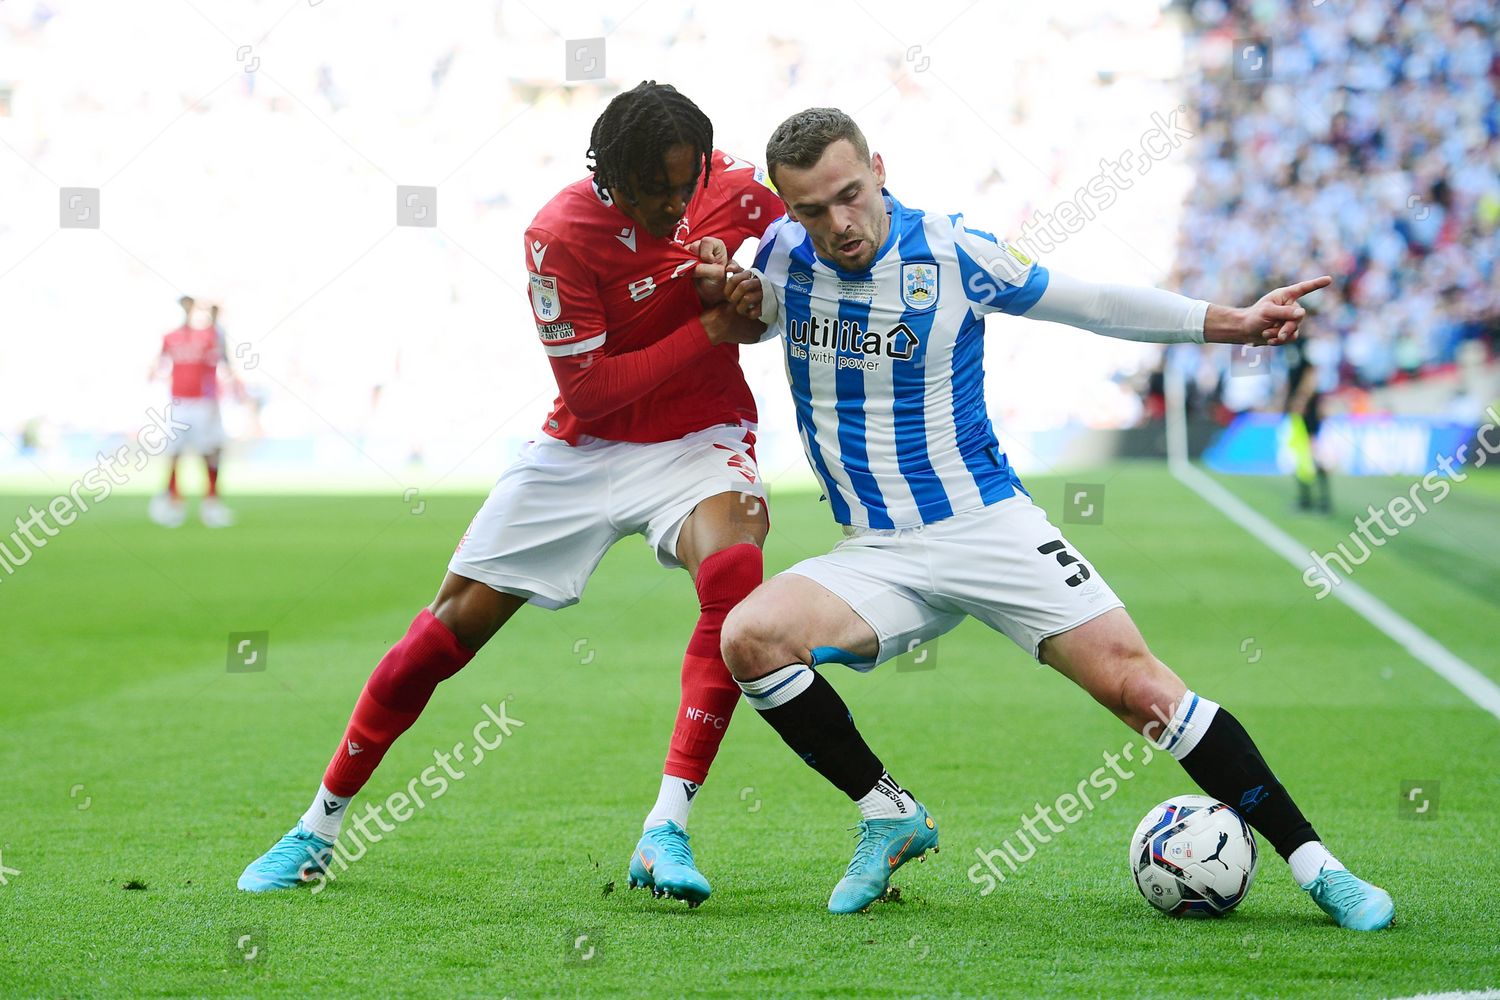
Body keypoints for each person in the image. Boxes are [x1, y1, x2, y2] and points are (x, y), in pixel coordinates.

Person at [718, 107, 1393, 929]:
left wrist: (1233, 323)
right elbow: (741, 319)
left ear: (879, 169)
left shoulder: (955, 253)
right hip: (875, 551)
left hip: (986, 525)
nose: (838, 223)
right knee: (749, 638)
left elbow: (1095, 304)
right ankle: (888, 812)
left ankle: (1320, 869)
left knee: (1143, 690)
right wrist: (723, 291)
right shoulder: (785, 257)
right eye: (812, 210)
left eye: (850, 195)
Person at [237, 82, 779, 905]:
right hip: (585, 447)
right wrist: (706, 325)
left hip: (698, 439)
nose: (677, 204)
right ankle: (317, 827)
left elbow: (811, 258)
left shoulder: (731, 184)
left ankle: (665, 828)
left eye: (685, 184)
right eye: (657, 191)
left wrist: (756, 296)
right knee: (448, 629)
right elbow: (594, 392)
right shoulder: (559, 235)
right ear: (614, 176)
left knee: (735, 582)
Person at [149, 296, 236, 528]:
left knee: (209, 452)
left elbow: (223, 357)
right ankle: (172, 500)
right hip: (179, 402)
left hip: (204, 402)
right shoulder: (170, 337)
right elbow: (157, 366)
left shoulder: (210, 335)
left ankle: (212, 503)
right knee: (174, 453)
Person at [1283, 333, 1331, 513]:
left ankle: (1324, 501)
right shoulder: (1287, 344)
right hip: (1296, 408)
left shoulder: (1306, 343)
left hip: (1308, 410)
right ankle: (1306, 499)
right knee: (1300, 454)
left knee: (1313, 452)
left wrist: (1301, 399)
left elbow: (1312, 374)